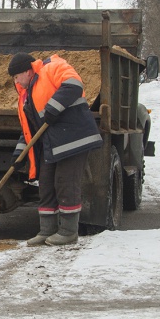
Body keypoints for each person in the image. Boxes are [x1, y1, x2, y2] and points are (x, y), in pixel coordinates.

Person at [7, 52, 103, 246]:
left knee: (65, 183)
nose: (16, 81)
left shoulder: (52, 68)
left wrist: (53, 107)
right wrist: (18, 155)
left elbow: (74, 85)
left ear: (27, 71)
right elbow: (30, 130)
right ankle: (46, 230)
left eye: (17, 77)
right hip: (53, 144)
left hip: (73, 139)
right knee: (46, 184)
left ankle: (68, 232)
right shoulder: (27, 95)